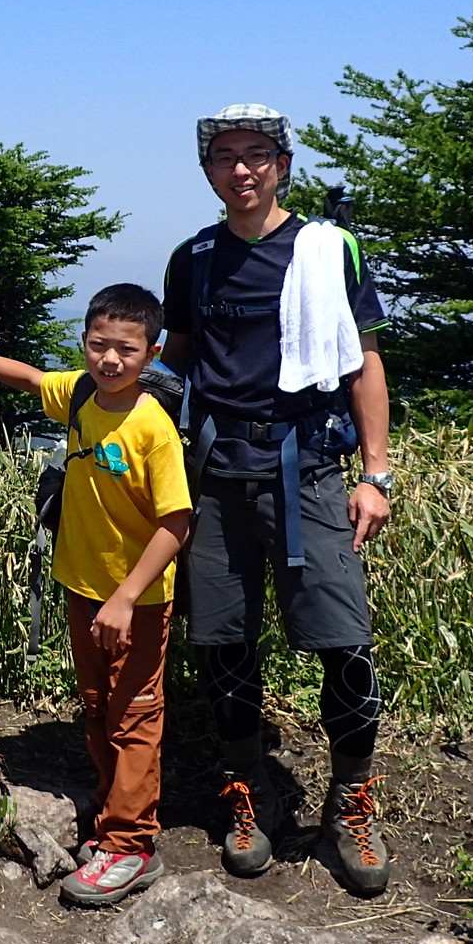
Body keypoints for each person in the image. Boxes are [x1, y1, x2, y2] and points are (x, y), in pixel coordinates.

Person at [161, 103, 396, 895]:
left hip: (311, 471)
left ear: (283, 164)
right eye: (225, 156)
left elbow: (364, 362)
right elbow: (175, 365)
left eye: (257, 154)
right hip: (217, 472)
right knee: (223, 643)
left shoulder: (330, 250)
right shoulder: (193, 260)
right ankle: (247, 794)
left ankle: (351, 800)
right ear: (207, 171)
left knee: (346, 642)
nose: (241, 169)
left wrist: (375, 474)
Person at [0, 284, 192, 906]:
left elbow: (176, 523)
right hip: (82, 586)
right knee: (99, 706)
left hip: (136, 600)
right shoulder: (81, 394)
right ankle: (112, 817)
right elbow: (30, 379)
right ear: (84, 342)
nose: (111, 359)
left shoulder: (152, 427)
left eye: (127, 349)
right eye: (99, 345)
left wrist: (126, 598)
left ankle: (131, 846)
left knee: (134, 713)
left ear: (152, 354)